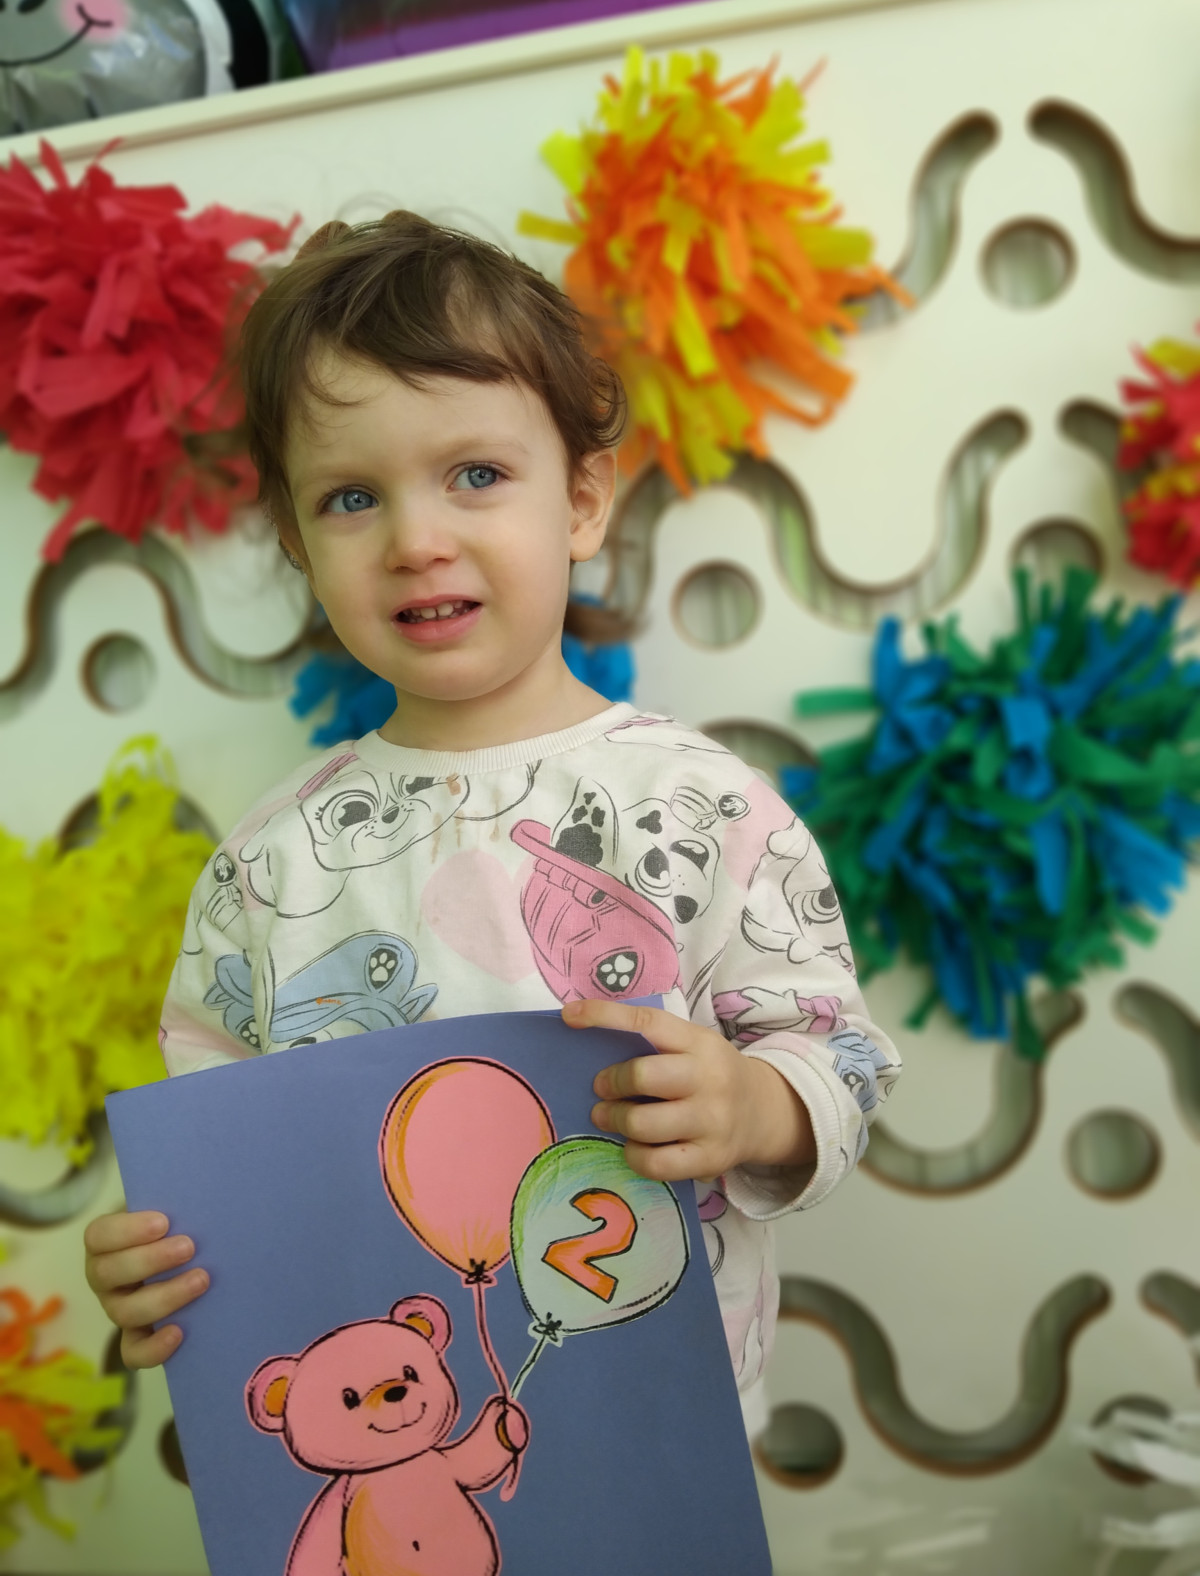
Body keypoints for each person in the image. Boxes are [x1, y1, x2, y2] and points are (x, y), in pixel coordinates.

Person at [84, 211, 900, 1438]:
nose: (417, 541)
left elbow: (838, 1057)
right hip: (382, 1438)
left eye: (475, 474)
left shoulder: (705, 805)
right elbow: (221, 1152)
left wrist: (749, 1104)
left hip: (668, 1449)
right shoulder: (271, 864)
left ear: (582, 500)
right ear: (299, 543)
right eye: (352, 497)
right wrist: (168, 1267)